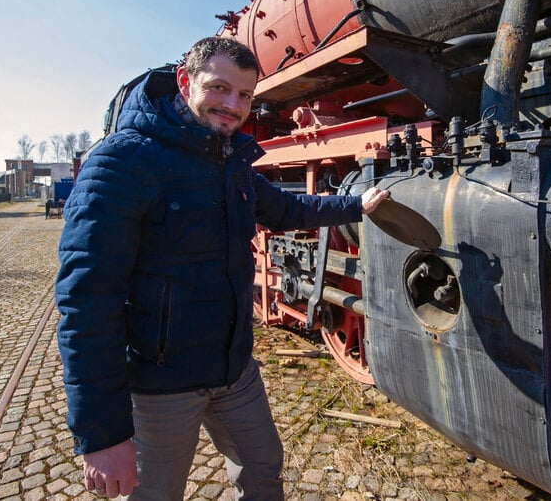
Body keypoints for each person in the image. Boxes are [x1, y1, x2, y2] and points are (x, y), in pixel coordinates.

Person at [55, 37, 389, 500]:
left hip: (234, 371)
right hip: (160, 383)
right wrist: (102, 435)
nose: (233, 105)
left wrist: (357, 204)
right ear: (184, 81)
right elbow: (86, 303)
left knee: (264, 470)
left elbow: (291, 210)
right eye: (218, 88)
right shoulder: (121, 162)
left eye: (245, 95)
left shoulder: (230, 162)